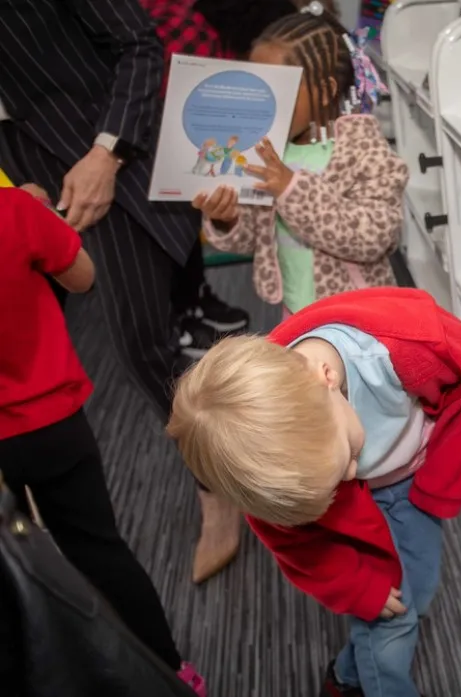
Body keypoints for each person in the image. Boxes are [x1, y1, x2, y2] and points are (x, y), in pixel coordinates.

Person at [0, 0, 245, 583]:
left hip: (96, 156)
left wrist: (106, 154)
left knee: (140, 346)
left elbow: (138, 42)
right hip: (17, 171)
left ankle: (218, 482)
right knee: (27, 349)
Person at [166, 288, 461, 697]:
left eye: (347, 459)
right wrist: (360, 589)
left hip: (413, 479)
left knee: (419, 592)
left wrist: (440, 484)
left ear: (327, 378)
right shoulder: (267, 463)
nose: (354, 473)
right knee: (393, 621)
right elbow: (300, 549)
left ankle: (345, 678)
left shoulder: (407, 345)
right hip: (350, 519)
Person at [0, 186, 206, 696]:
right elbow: (84, 276)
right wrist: (44, 222)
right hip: (53, 423)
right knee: (98, 548)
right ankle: (169, 670)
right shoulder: (16, 210)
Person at [195, 8, 406, 318]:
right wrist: (226, 219)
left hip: (360, 316)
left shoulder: (363, 150)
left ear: (325, 92)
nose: (263, 103)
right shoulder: (268, 152)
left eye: (276, 90)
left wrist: (290, 187)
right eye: (257, 89)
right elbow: (254, 240)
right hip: (295, 312)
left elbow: (374, 237)